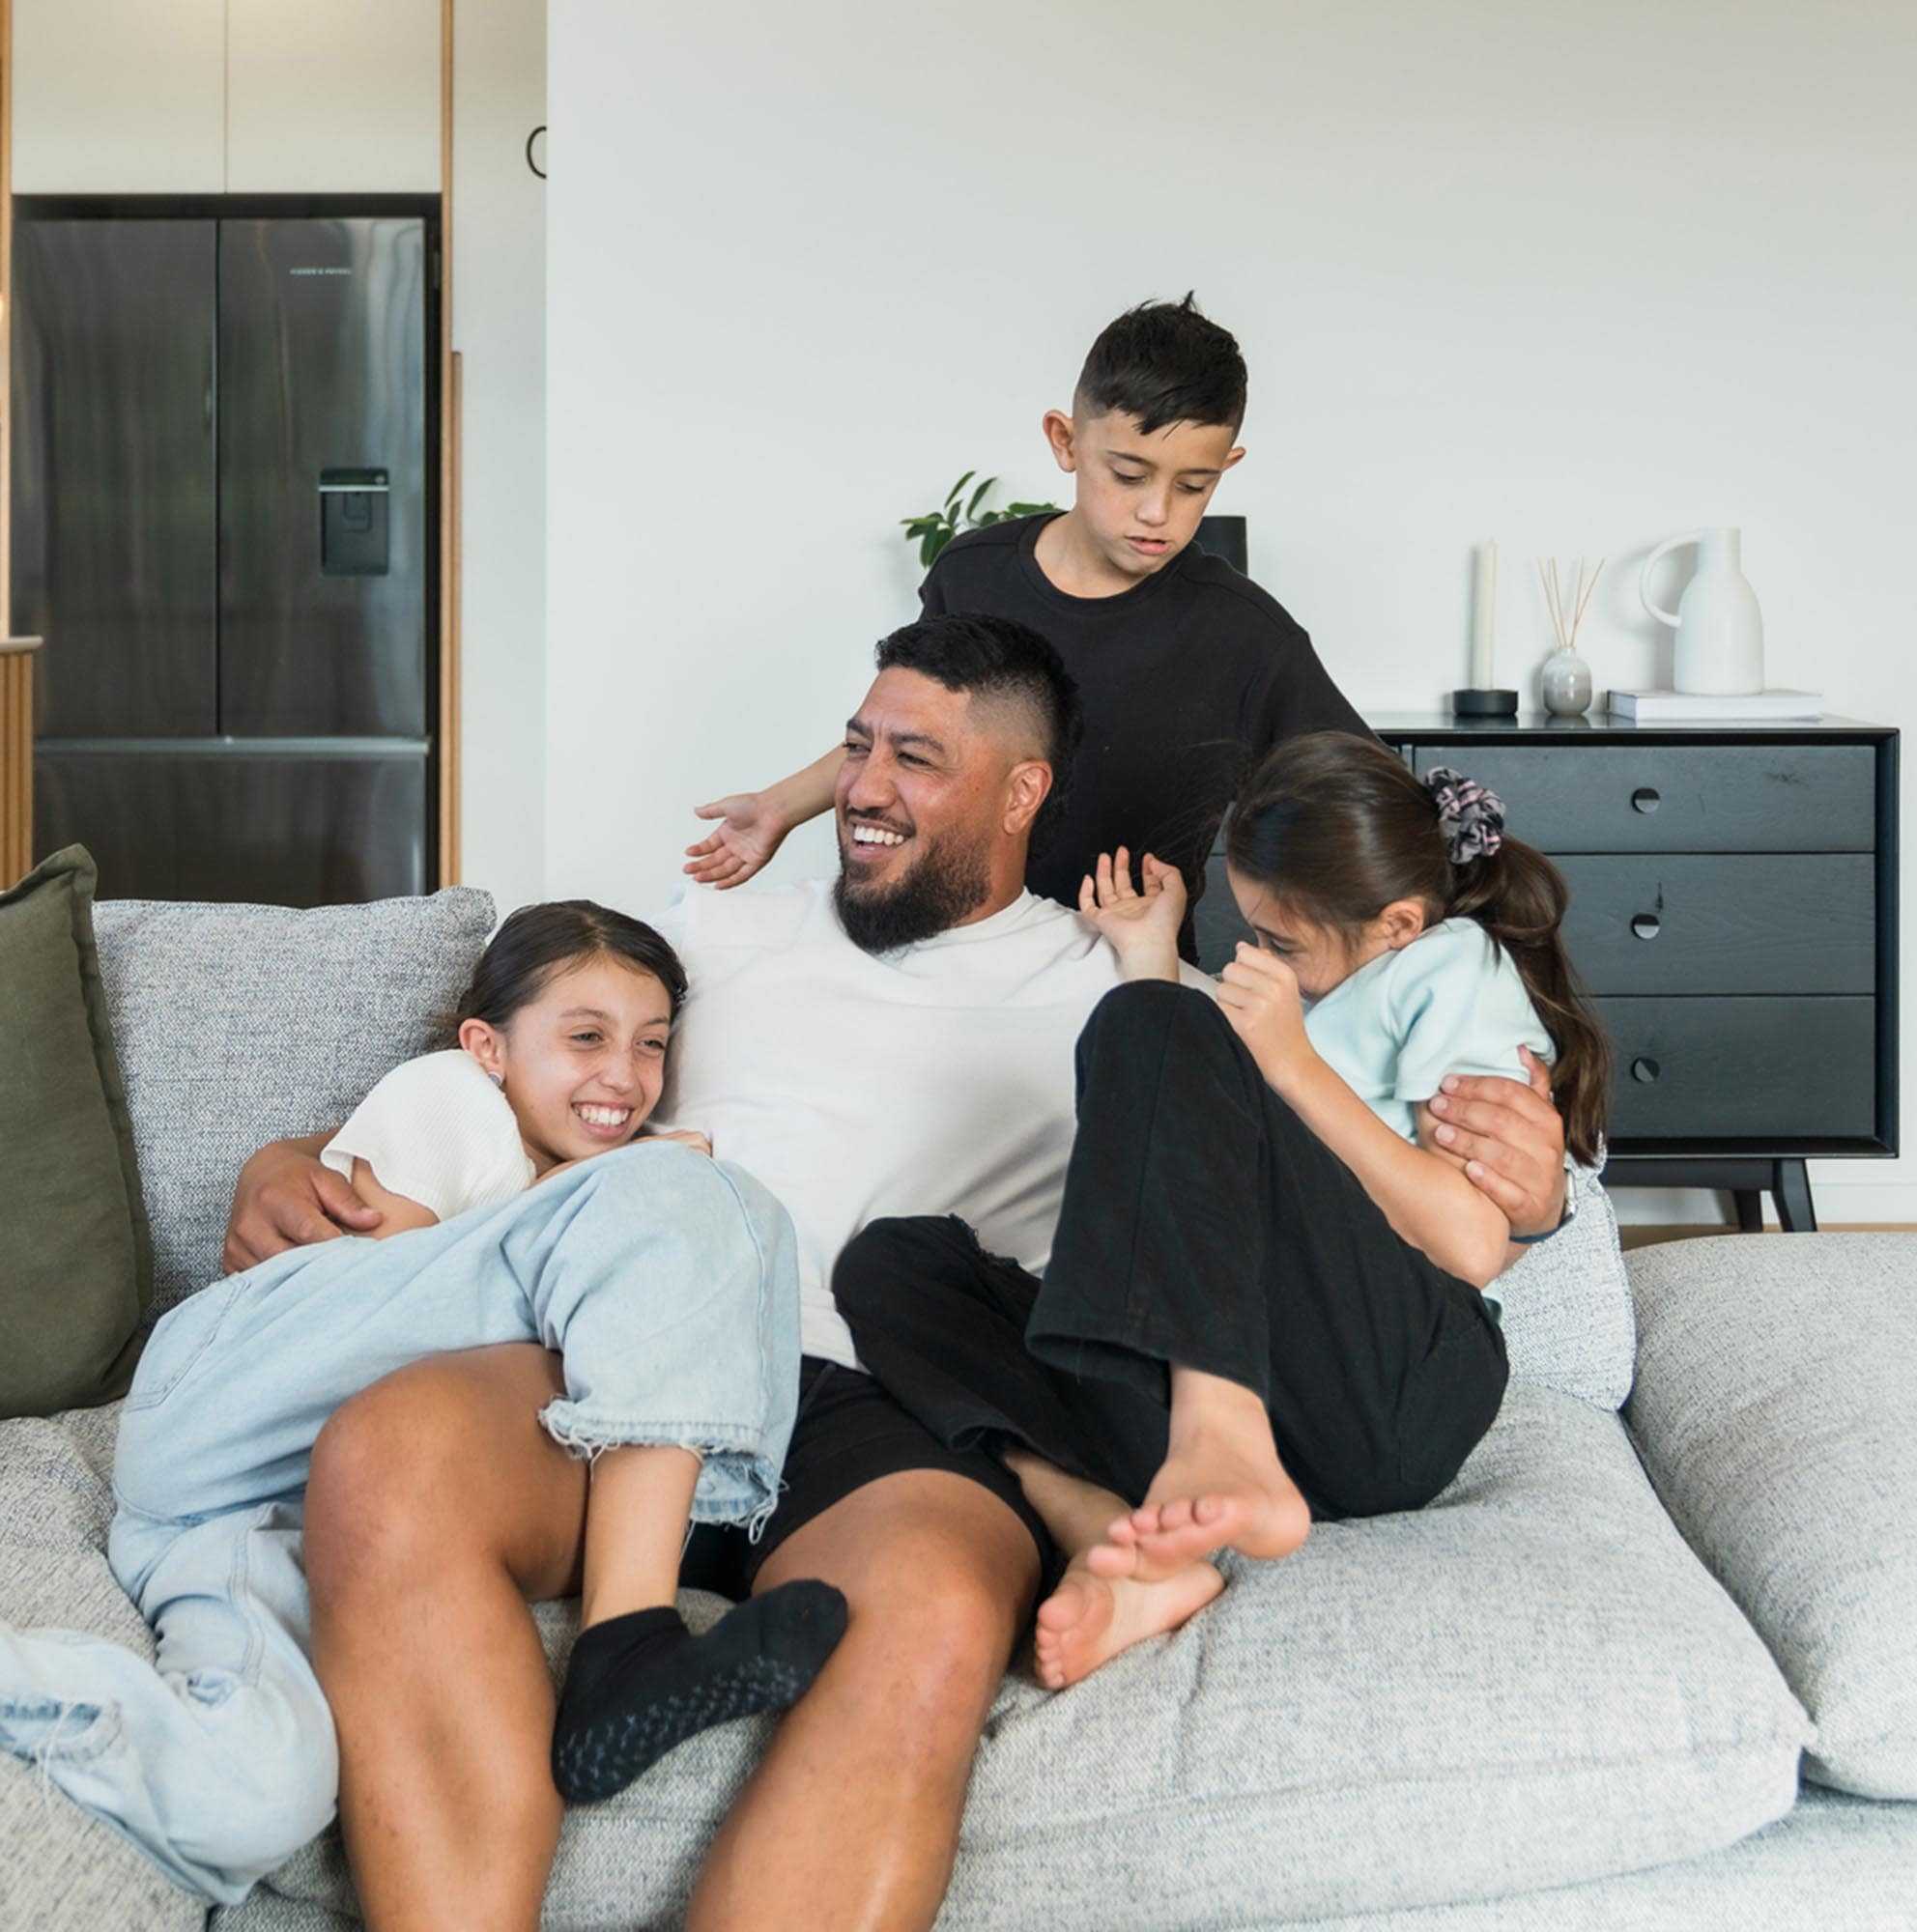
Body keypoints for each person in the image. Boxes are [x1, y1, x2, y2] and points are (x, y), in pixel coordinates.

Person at [223, 616, 1574, 1931]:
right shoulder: (717, 922)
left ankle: (1143, 1501)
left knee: (928, 1603)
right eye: (856, 747)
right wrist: (299, 1152)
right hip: (624, 1354)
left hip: (881, 1420)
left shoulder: (1110, 982)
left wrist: (1536, 1199)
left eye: (914, 760)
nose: (863, 790)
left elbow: (1303, 1187)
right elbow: (526, 1066)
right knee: (386, 1457)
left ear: (1020, 791)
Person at [0, 902, 840, 1908]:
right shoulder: (447, 1097)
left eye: (649, 1043)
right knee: (700, 1199)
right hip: (224, 1392)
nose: (623, 1073)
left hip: (230, 1524)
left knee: (258, 1793)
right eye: (585, 1037)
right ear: (485, 1045)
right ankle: (631, 1641)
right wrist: (626, 1190)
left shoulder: (556, 1166)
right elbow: (388, 1270)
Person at [833, 732, 1614, 1690]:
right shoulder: (1329, 994)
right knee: (893, 1261)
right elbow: (1187, 1147)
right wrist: (1149, 951)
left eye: (1277, 939)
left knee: (1151, 1020)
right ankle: (1108, 1533)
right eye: (1249, 929)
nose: (1255, 955)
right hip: (1279, 1405)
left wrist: (1287, 1061)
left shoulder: (1447, 973)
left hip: (1396, 1387)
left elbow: (1466, 1242)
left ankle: (1216, 1432)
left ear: (1397, 924)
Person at [683, 293, 1368, 962]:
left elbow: (1366, 805)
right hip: (956, 944)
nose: (1157, 512)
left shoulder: (1246, 635)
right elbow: (909, 737)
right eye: (1128, 475)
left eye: (1193, 486)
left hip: (1125, 967)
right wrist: (779, 806)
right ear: (1065, 441)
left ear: (1227, 467)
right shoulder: (975, 574)